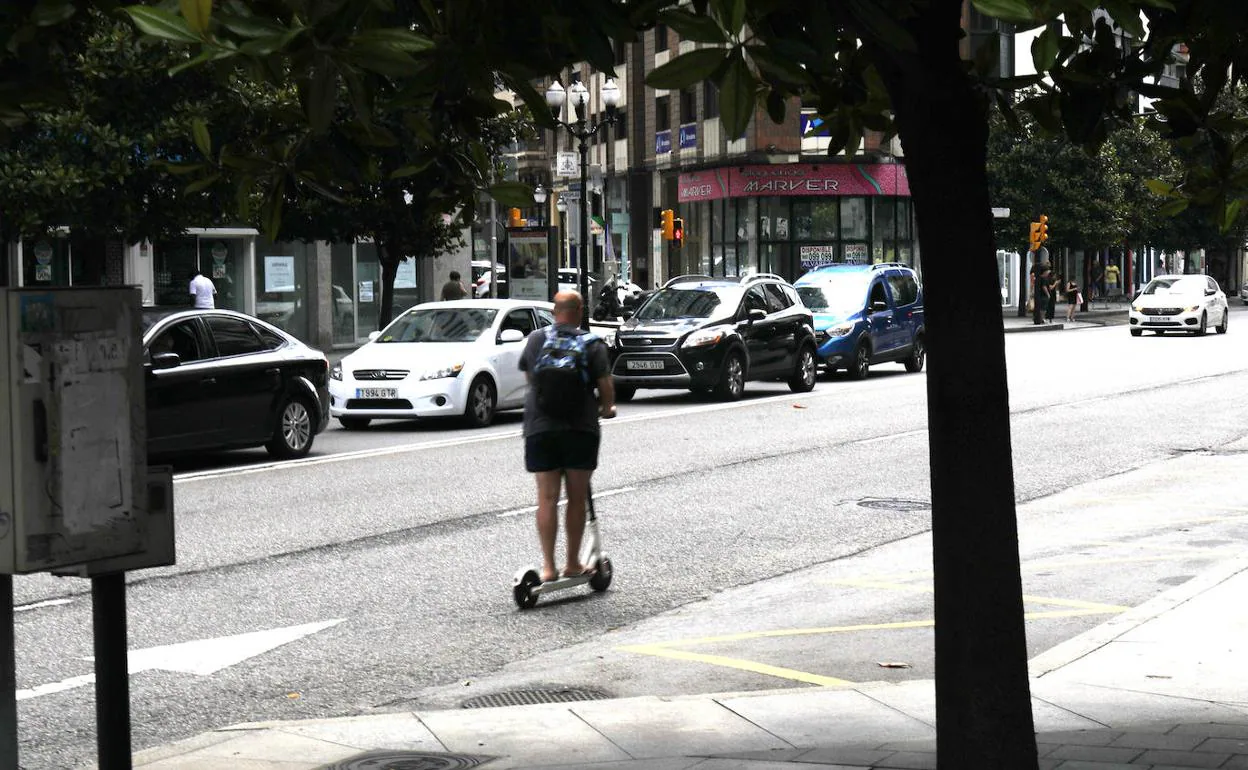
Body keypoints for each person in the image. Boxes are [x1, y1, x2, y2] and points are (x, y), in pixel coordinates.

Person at [518, 290, 616, 583]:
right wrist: (607, 407)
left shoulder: (537, 339)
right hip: (579, 429)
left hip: (540, 427)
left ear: (554, 310)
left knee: (546, 498)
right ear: (580, 310)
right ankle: (572, 563)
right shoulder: (591, 344)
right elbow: (605, 386)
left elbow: (530, 378)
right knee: (576, 498)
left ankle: (548, 567)